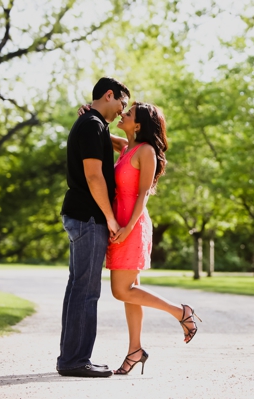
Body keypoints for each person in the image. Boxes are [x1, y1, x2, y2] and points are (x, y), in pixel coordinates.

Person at [78, 101, 202, 376]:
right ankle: (135, 349)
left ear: (139, 125)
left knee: (121, 290)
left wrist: (128, 227)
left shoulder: (146, 152)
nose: (123, 113)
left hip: (132, 226)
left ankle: (180, 311)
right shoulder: (127, 147)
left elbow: (144, 194)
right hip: (121, 223)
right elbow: (101, 134)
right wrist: (92, 115)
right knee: (130, 292)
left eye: (129, 113)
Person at [57, 77, 130, 378]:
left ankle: (71, 358)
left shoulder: (94, 124)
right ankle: (76, 360)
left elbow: (124, 145)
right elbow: (93, 176)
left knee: (79, 288)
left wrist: (100, 120)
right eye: (121, 105)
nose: (122, 112)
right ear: (109, 95)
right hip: (89, 217)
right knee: (86, 291)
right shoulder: (91, 124)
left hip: (82, 215)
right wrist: (110, 217)